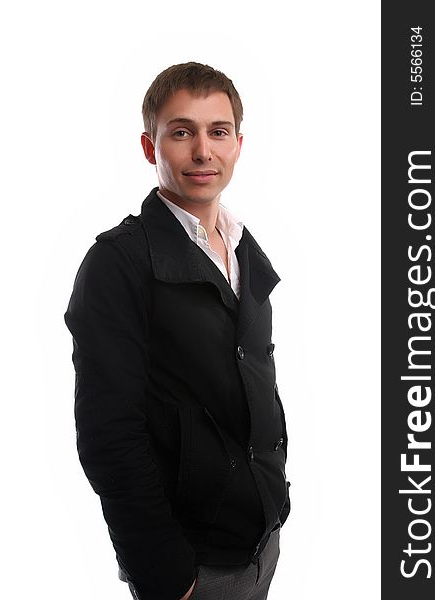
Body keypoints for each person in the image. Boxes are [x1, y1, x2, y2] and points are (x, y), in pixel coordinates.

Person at [64, 62, 290, 600]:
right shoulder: (117, 262)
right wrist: (162, 571)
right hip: (188, 565)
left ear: (238, 143)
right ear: (151, 147)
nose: (202, 151)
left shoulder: (243, 248)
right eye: (182, 132)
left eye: (217, 132)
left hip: (260, 541)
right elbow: (107, 433)